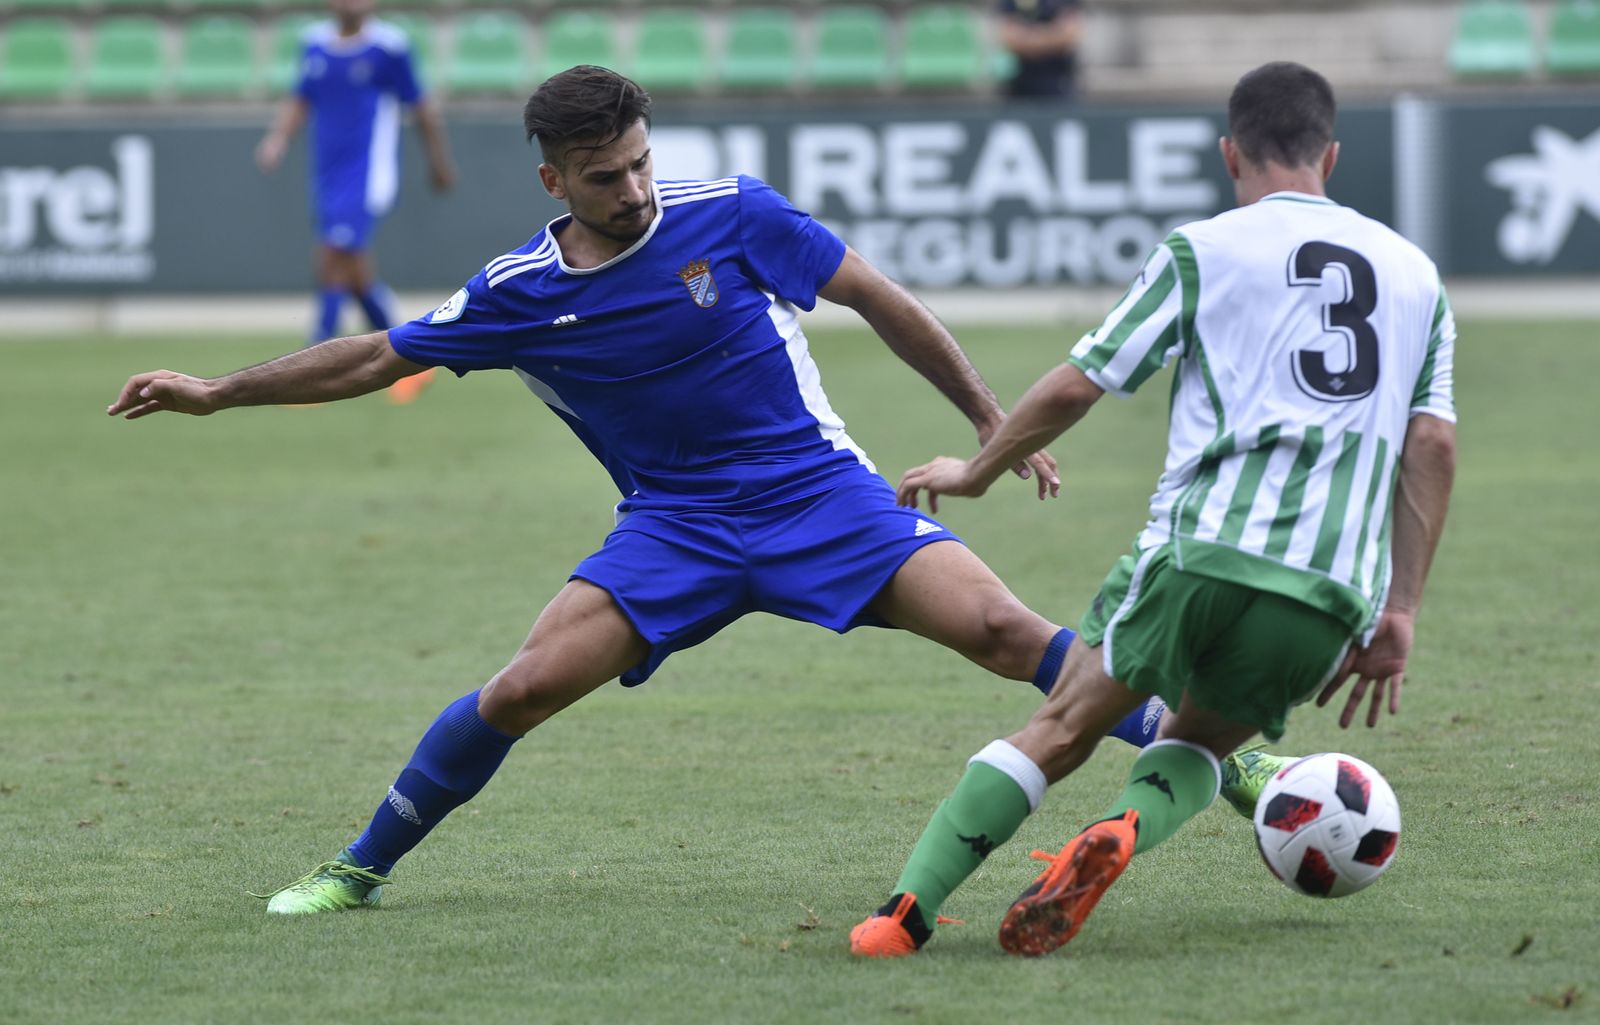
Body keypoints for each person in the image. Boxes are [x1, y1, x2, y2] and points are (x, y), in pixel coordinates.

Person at [110, 65, 1222, 916]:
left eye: (642, 161)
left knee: (1000, 625)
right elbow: (371, 357)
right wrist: (215, 390)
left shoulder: (730, 213)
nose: (635, 188)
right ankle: (358, 867)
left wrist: (987, 419)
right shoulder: (515, 293)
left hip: (813, 494)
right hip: (674, 527)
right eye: (606, 176)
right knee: (520, 688)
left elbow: (877, 295)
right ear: (554, 179)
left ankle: (1220, 747)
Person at [850, 61, 1457, 958]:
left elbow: (1076, 385)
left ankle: (900, 920)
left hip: (1201, 548)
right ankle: (1126, 829)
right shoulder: (1417, 276)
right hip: (1332, 587)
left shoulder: (1203, 248)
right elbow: (1433, 447)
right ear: (1330, 154)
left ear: (1229, 152)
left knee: (1058, 730)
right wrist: (1401, 606)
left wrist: (978, 469)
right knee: (1198, 746)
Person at [256, 0, 455, 403]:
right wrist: (278, 138)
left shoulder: (389, 47)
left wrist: (438, 161)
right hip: (327, 173)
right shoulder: (313, 43)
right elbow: (301, 97)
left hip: (367, 173)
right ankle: (416, 362)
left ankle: (308, 364)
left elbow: (421, 107)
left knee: (333, 256)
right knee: (354, 272)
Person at [994, 0, 1084, 101]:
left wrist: (1027, 38)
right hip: (1018, 81)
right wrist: (1052, 35)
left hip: (1058, 79)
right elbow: (1008, 37)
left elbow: (1069, 35)